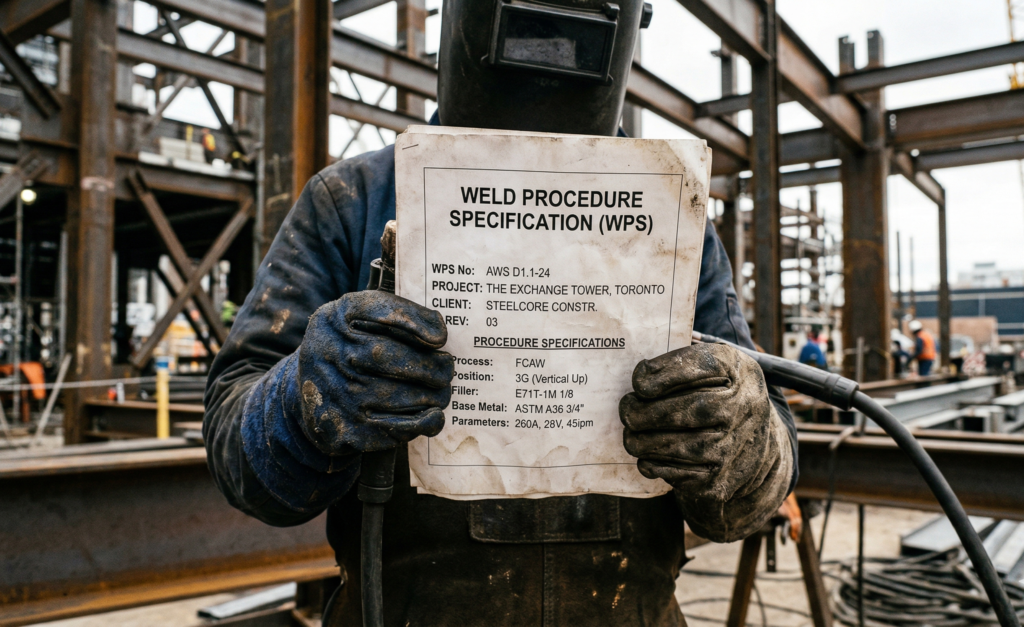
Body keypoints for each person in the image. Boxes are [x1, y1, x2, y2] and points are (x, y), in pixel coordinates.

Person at [203, 2, 798, 624]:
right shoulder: (352, 201)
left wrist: (743, 442)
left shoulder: (674, 216)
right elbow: (238, 456)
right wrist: (304, 402)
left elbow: (756, 493)